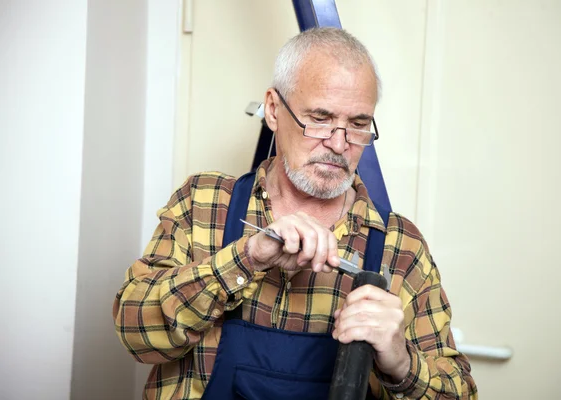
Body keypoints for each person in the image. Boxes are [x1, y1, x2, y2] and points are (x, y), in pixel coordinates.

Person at [113, 27, 477, 400]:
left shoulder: (401, 247)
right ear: (273, 109)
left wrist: (401, 363)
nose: (339, 144)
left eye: (358, 124)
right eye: (319, 118)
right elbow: (133, 333)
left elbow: (459, 393)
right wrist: (246, 259)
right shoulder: (203, 203)